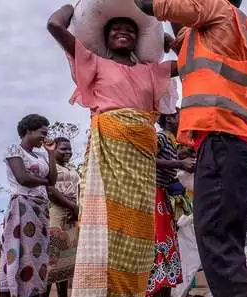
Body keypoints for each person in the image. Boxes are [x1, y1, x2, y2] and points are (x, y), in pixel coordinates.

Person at [135, 0, 247, 296]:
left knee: (216, 243)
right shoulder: (224, 25)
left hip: (222, 138)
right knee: (223, 243)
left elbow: (150, 4)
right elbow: (183, 44)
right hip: (231, 141)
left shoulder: (215, 7)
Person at [47, 4, 178, 296]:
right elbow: (55, 26)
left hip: (142, 160)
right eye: (116, 28)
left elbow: (192, 63)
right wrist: (74, 8)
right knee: (108, 227)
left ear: (138, 38)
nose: (123, 32)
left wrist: (170, 41)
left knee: (138, 232)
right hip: (110, 155)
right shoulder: (93, 61)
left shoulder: (152, 71)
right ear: (104, 36)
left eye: (130, 29)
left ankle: (132, 289)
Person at [0, 114, 58, 297]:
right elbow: (22, 178)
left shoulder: (40, 155)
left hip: (40, 209)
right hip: (22, 207)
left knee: (37, 254)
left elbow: (52, 180)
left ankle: (32, 290)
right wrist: (43, 180)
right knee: (19, 250)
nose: (45, 136)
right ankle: (16, 290)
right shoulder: (14, 149)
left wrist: (51, 153)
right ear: (28, 131)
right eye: (42, 132)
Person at [147, 110, 194, 297]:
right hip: (154, 195)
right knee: (160, 243)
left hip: (162, 196)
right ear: (170, 119)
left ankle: (162, 288)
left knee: (166, 243)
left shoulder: (171, 141)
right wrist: (179, 164)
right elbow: (147, 159)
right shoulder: (160, 138)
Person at [46, 137, 80, 297]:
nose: (68, 152)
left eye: (69, 149)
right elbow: (51, 191)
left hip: (71, 218)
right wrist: (72, 206)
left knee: (66, 262)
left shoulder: (72, 171)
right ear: (54, 149)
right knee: (51, 260)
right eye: (63, 149)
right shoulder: (50, 168)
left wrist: (76, 210)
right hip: (55, 215)